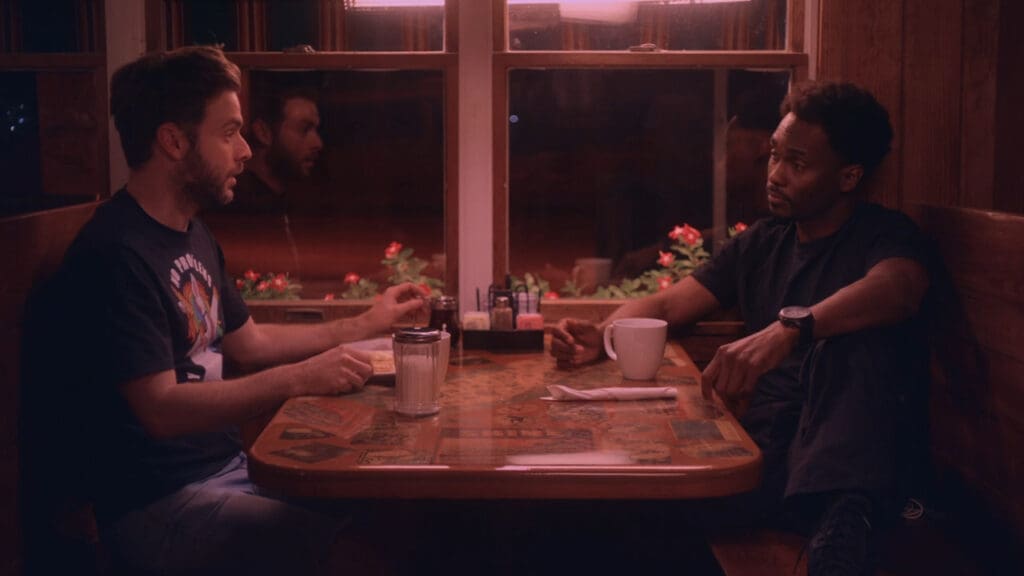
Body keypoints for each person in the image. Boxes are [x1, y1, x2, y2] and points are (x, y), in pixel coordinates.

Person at [29, 46, 427, 575]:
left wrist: (366, 324)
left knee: (399, 517)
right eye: (228, 132)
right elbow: (162, 408)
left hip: (228, 472)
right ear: (173, 140)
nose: (244, 150)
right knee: (359, 557)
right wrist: (301, 378)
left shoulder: (193, 233)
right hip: (159, 505)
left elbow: (251, 343)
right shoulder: (115, 252)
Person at [551, 80, 932, 575]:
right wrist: (601, 336)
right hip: (763, 455)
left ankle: (841, 530)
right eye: (773, 156)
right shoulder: (763, 242)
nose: (774, 175)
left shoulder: (884, 234)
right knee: (594, 512)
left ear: (848, 177)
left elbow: (899, 288)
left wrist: (791, 329)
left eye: (797, 164)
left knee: (849, 344)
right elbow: (669, 304)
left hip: (846, 459)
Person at [225, 85, 324, 214]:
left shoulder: (282, 203)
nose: (318, 143)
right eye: (304, 129)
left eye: (315, 130)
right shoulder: (241, 210)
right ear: (263, 133)